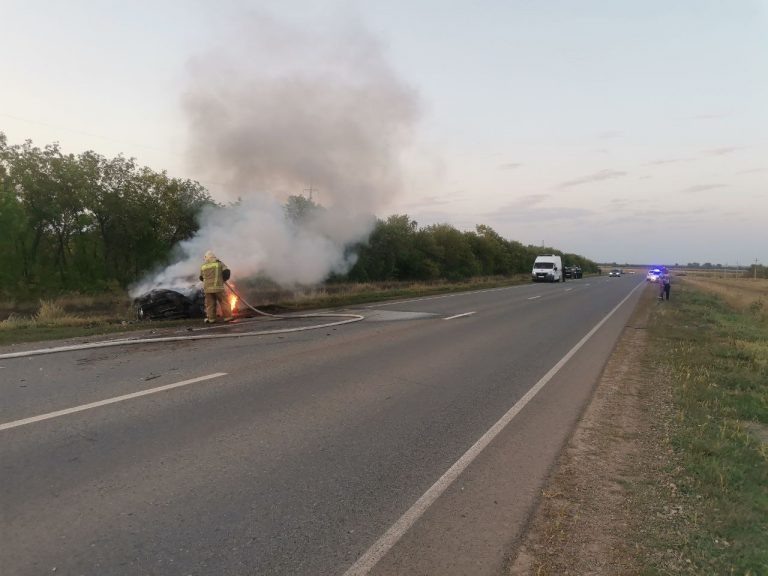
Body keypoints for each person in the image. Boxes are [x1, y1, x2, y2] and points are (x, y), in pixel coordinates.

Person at [199, 250, 232, 323]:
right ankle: (228, 317)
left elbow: (201, 278)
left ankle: (211, 319)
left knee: (210, 304)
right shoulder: (219, 264)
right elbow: (227, 272)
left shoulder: (203, 266)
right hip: (218, 287)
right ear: (214, 256)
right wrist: (223, 279)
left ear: (206, 258)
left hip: (207, 289)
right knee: (224, 302)